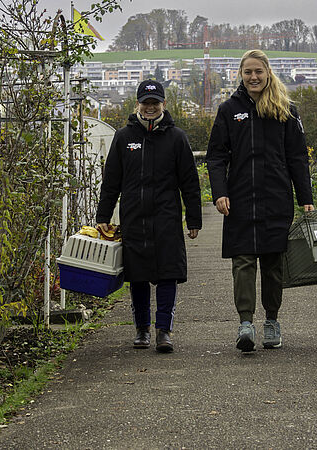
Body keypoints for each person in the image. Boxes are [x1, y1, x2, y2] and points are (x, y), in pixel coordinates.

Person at [206, 49, 314, 352]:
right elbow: (216, 157)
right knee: (242, 262)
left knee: (272, 263)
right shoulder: (229, 110)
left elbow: (297, 158)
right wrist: (220, 192)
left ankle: (272, 321)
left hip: (275, 198)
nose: (253, 77)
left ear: (268, 73)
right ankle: (245, 323)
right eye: (248, 72)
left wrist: (305, 197)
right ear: (240, 74)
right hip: (239, 200)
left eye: (258, 72)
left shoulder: (286, 110)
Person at [96, 79, 202, 353]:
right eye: (146, 103)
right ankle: (142, 329)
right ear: (138, 105)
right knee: (139, 275)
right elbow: (111, 182)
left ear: (163, 104)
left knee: (168, 274)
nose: (150, 107)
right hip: (135, 217)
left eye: (155, 103)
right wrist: (103, 215)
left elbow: (189, 182)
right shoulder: (124, 137)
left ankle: (163, 331)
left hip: (167, 217)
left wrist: (193, 219)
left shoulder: (177, 137)